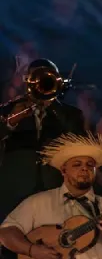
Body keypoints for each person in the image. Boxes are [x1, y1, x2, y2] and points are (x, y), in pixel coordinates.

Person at [0, 59, 86, 223]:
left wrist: (53, 106)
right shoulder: (8, 110)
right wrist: (11, 122)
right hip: (14, 192)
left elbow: (78, 145)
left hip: (53, 192)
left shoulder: (70, 114)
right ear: (27, 81)